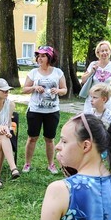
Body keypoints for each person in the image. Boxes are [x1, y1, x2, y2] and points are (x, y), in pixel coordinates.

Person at [22, 45, 67, 175]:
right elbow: (24, 89)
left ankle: (51, 164)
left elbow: (64, 90)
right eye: (38, 56)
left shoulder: (58, 72)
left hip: (52, 112)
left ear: (50, 57)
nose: (39, 58)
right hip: (35, 110)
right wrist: (35, 87)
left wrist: (58, 90)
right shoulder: (33, 73)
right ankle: (27, 163)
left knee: (49, 139)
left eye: (43, 56)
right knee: (32, 138)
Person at [79, 40, 111, 113]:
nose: (104, 53)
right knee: (89, 120)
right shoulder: (93, 64)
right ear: (98, 53)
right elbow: (83, 80)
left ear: (110, 51)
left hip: (105, 99)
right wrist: (92, 71)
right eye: (102, 51)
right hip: (92, 99)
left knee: (105, 121)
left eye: (106, 50)